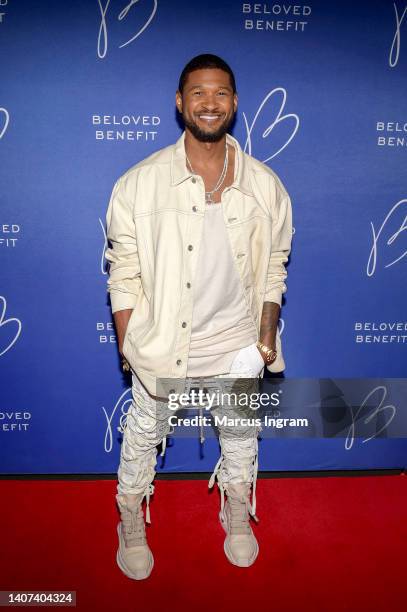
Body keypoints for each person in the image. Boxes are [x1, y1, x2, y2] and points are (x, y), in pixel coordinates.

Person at [105, 54, 293, 579]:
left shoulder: (265, 184)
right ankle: (130, 519)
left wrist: (263, 341)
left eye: (221, 93)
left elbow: (274, 267)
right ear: (179, 101)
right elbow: (123, 274)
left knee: (240, 439)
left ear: (234, 103)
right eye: (198, 92)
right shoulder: (138, 184)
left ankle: (236, 513)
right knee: (142, 438)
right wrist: (131, 344)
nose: (209, 103)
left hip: (236, 345)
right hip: (163, 344)